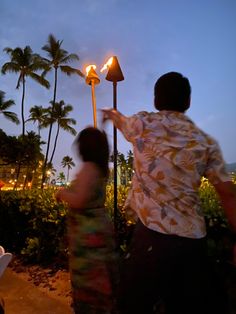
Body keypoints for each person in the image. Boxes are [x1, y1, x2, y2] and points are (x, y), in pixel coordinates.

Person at [102, 72, 236, 314]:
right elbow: (228, 193)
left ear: (155, 100)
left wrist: (109, 113)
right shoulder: (205, 142)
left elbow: (121, 121)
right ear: (188, 102)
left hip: (151, 238)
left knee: (131, 306)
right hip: (193, 243)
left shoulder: (143, 124)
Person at [56, 126, 117, 314]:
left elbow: (80, 200)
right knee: (101, 282)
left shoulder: (87, 169)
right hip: (99, 230)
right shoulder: (101, 169)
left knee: (88, 283)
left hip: (87, 236)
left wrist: (62, 194)